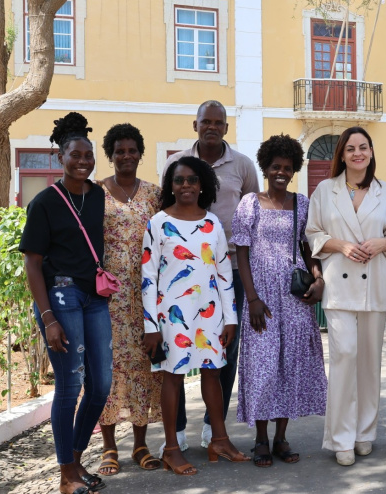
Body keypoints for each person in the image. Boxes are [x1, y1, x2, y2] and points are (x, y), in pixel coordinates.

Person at [20, 112, 111, 494]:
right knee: (70, 385)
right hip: (61, 295)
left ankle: (74, 460)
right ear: (61, 157)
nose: (83, 161)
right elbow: (32, 262)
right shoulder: (44, 202)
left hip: (94, 296)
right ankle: (66, 475)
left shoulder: (98, 195)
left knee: (101, 384)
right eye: (75, 154)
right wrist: (48, 317)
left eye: (88, 155)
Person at [141, 156, 250, 475]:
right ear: (170, 186)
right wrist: (151, 326)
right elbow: (148, 276)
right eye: (178, 180)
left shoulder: (213, 223)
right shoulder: (158, 223)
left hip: (210, 313)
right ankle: (171, 448)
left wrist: (231, 317)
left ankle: (219, 440)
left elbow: (224, 274)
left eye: (192, 180)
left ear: (203, 184)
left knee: (214, 372)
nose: (185, 185)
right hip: (170, 316)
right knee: (172, 376)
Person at [163, 100, 259, 451]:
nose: (212, 127)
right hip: (183, 271)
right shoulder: (176, 163)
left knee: (224, 350)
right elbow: (165, 208)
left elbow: (252, 217)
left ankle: (212, 425)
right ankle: (177, 430)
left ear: (226, 128)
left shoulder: (243, 166)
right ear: (195, 125)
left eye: (219, 122)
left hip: (229, 269)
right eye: (206, 121)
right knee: (177, 349)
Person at [306, 126, 386, 466]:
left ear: (372, 152)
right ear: (342, 155)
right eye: (350, 148)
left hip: (375, 283)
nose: (357, 153)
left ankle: (365, 433)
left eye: (363, 147)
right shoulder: (325, 190)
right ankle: (341, 437)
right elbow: (313, 233)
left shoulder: (385, 192)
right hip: (339, 284)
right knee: (345, 357)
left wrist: (384, 243)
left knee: (370, 364)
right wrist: (342, 245)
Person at [232, 134, 327, 467]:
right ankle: (259, 439)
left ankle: (281, 438)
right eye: (275, 167)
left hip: (294, 295)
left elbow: (308, 249)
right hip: (262, 297)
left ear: (294, 169)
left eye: (287, 168)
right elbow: (241, 252)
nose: (281, 173)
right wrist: (252, 298)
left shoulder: (302, 203)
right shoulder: (250, 203)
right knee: (263, 366)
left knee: (290, 364)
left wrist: (318, 279)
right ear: (265, 166)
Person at [95, 123, 163, 476]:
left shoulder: (154, 195)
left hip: (146, 297)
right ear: (111, 155)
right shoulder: (96, 192)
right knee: (106, 369)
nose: (126, 156)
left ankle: (140, 443)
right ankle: (108, 448)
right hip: (105, 298)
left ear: (140, 153)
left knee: (142, 369)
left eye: (131, 149)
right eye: (119, 150)